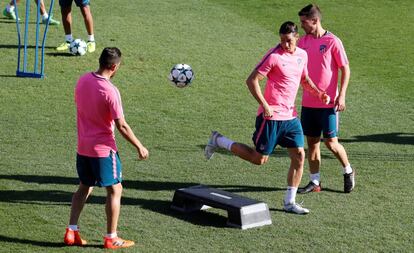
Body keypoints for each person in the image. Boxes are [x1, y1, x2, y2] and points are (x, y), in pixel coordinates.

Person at [204, 21, 330, 215]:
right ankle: (218, 140)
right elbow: (251, 80)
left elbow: (304, 79)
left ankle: (289, 202)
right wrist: (265, 105)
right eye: (281, 40)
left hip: (290, 117)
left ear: (297, 38)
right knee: (259, 159)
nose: (284, 45)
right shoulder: (274, 57)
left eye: (288, 41)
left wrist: (318, 93)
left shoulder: (302, 55)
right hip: (270, 118)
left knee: (299, 155)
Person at [64, 47, 149, 249]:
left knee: (84, 186)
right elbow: (122, 125)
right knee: (115, 189)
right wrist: (140, 146)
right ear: (114, 66)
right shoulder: (111, 91)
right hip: (103, 150)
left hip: (83, 147)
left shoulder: (83, 80)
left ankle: (71, 230)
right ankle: (111, 237)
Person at [296, 4, 355, 194]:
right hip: (308, 102)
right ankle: (315, 182)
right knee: (312, 142)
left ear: (315, 20)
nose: (302, 25)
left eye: (304, 22)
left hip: (328, 103)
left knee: (331, 142)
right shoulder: (302, 42)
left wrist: (342, 95)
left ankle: (348, 170)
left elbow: (345, 69)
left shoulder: (332, 41)